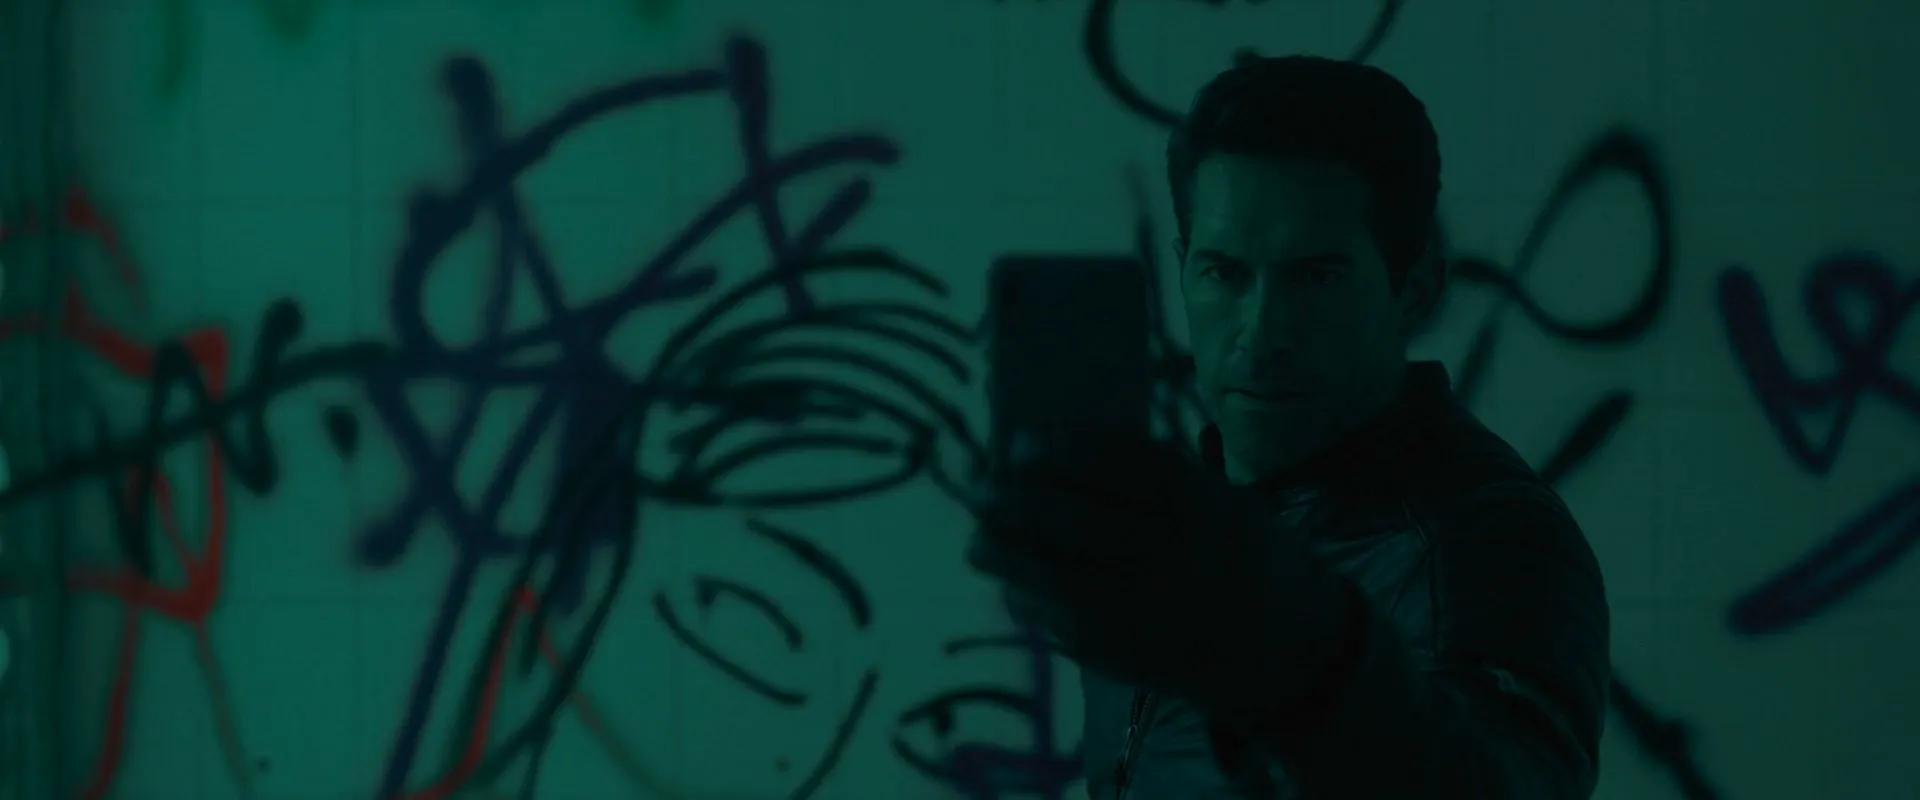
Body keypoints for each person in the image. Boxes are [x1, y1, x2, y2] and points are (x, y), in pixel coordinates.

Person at [968, 55, 1610, 798]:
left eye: (1315, 276)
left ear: (1416, 286)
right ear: (1183, 268)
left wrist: (1283, 649)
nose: (1262, 331)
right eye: (1224, 272)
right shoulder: (1177, 533)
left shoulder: (1491, 543)